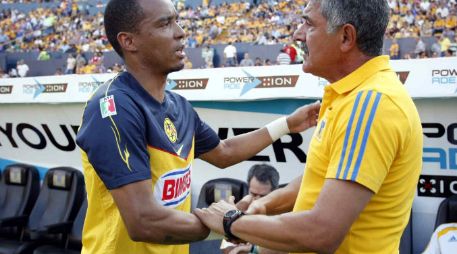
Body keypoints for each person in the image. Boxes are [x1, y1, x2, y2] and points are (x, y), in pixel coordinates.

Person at [75, 0, 321, 254]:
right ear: (129, 41)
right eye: (165, 24)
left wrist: (287, 125)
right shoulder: (113, 110)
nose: (181, 31)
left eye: (176, 20)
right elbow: (143, 222)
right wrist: (230, 225)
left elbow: (223, 152)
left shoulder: (178, 105)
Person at [195, 0, 423, 253]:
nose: (297, 34)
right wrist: (266, 205)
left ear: (346, 37)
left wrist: (231, 222)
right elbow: (324, 178)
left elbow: (322, 232)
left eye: (308, 23)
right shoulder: (353, 96)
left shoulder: (370, 103)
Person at [221, 164, 285, 254]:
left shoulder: (285, 213)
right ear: (249, 188)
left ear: (275, 191)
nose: (257, 200)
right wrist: (238, 212)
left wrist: (252, 248)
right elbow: (226, 248)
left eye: (263, 196)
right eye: (253, 194)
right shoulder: (241, 208)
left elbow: (288, 248)